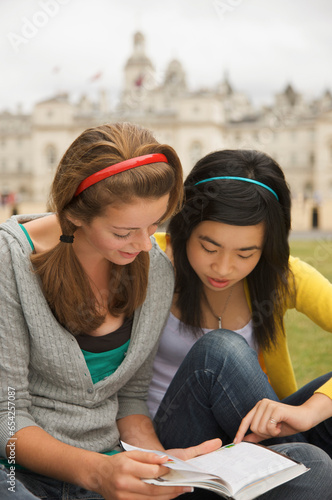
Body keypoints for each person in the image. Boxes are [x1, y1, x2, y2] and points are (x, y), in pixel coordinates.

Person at [0, 122, 223, 500]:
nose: (144, 244)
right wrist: (98, 471)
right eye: (124, 232)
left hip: (110, 468)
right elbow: (7, 417)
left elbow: (131, 398)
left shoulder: (155, 268)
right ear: (74, 215)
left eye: (154, 224)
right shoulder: (9, 260)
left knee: (308, 463)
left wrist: (157, 466)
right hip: (19, 476)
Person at [146, 149, 332, 498]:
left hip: (249, 433)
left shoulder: (281, 277)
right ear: (185, 227)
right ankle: (301, 470)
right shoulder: (145, 261)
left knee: (322, 423)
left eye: (246, 253)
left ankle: (303, 469)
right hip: (172, 441)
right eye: (209, 246)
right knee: (220, 350)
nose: (223, 268)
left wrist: (309, 413)